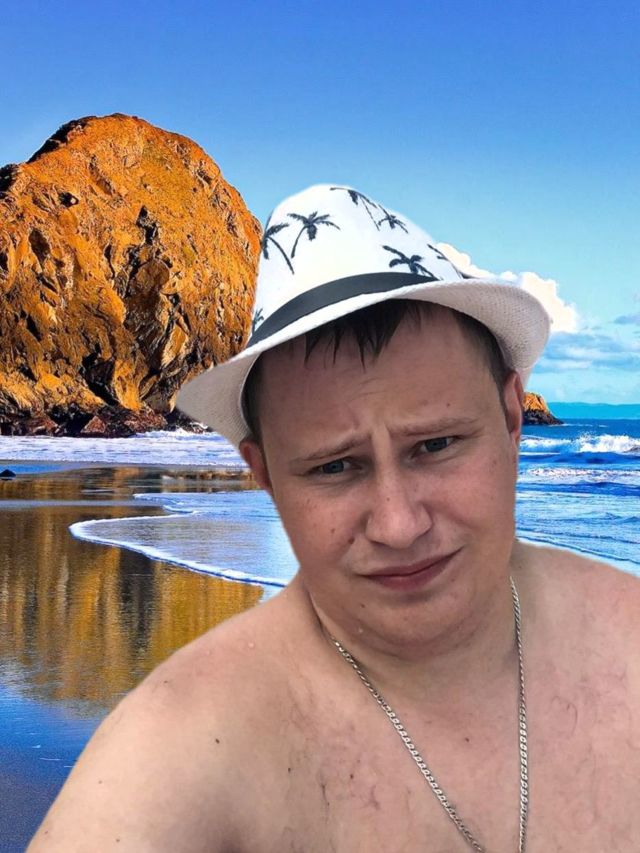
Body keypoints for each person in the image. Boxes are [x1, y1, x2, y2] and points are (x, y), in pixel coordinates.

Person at [28, 185, 640, 853]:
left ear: (513, 418)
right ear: (263, 472)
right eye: (334, 467)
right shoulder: (182, 748)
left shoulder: (628, 647)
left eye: (436, 445)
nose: (398, 525)